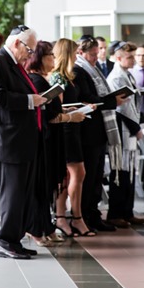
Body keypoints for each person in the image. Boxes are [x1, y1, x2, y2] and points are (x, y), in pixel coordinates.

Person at [0, 25, 48, 259]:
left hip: (20, 138)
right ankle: (5, 241)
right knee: (12, 193)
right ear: (16, 43)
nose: (31, 55)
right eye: (29, 49)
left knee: (22, 193)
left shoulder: (13, 63)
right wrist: (29, 100)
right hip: (7, 140)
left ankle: (14, 239)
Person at [73, 35, 129, 233]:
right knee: (89, 178)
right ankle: (86, 215)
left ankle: (93, 213)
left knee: (97, 176)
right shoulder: (78, 70)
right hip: (88, 131)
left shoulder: (93, 69)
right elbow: (87, 98)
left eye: (97, 54)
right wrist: (113, 101)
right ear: (81, 53)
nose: (96, 58)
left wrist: (112, 99)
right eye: (92, 55)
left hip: (99, 131)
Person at [24, 41, 67, 246]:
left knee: (47, 186)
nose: (54, 59)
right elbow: (48, 115)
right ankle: (37, 228)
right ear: (40, 59)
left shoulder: (44, 79)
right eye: (50, 56)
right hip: (44, 140)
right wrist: (69, 118)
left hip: (51, 138)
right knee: (41, 186)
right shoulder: (36, 80)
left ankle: (47, 226)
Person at [51, 38, 94, 238]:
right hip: (65, 129)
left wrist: (84, 106)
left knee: (70, 175)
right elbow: (56, 108)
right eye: (75, 52)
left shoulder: (68, 76)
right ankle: (73, 217)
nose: (78, 56)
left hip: (74, 127)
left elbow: (69, 101)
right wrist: (76, 109)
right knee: (76, 173)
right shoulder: (57, 77)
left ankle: (65, 217)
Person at [105, 42, 144, 227]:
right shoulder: (115, 77)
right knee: (119, 172)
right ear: (119, 57)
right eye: (129, 57)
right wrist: (135, 128)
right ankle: (115, 213)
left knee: (129, 171)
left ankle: (128, 211)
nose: (132, 60)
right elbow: (119, 109)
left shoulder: (127, 74)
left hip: (130, 127)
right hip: (122, 128)